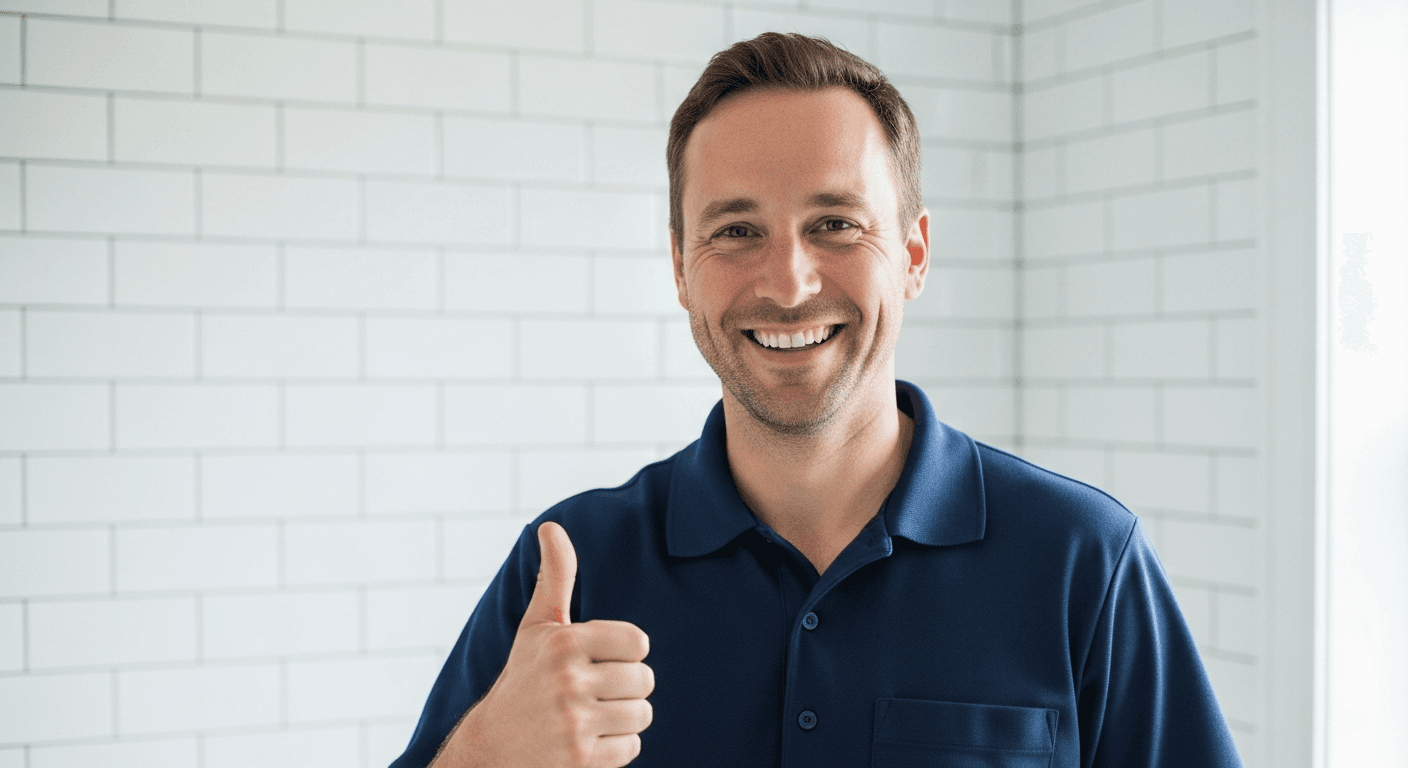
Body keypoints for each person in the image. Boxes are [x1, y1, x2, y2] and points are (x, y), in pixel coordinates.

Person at [390, 33, 1242, 768]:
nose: (789, 283)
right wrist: (488, 753)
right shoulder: (572, 568)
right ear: (681, 266)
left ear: (913, 254)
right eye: (736, 230)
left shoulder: (1083, 560)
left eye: (835, 223)